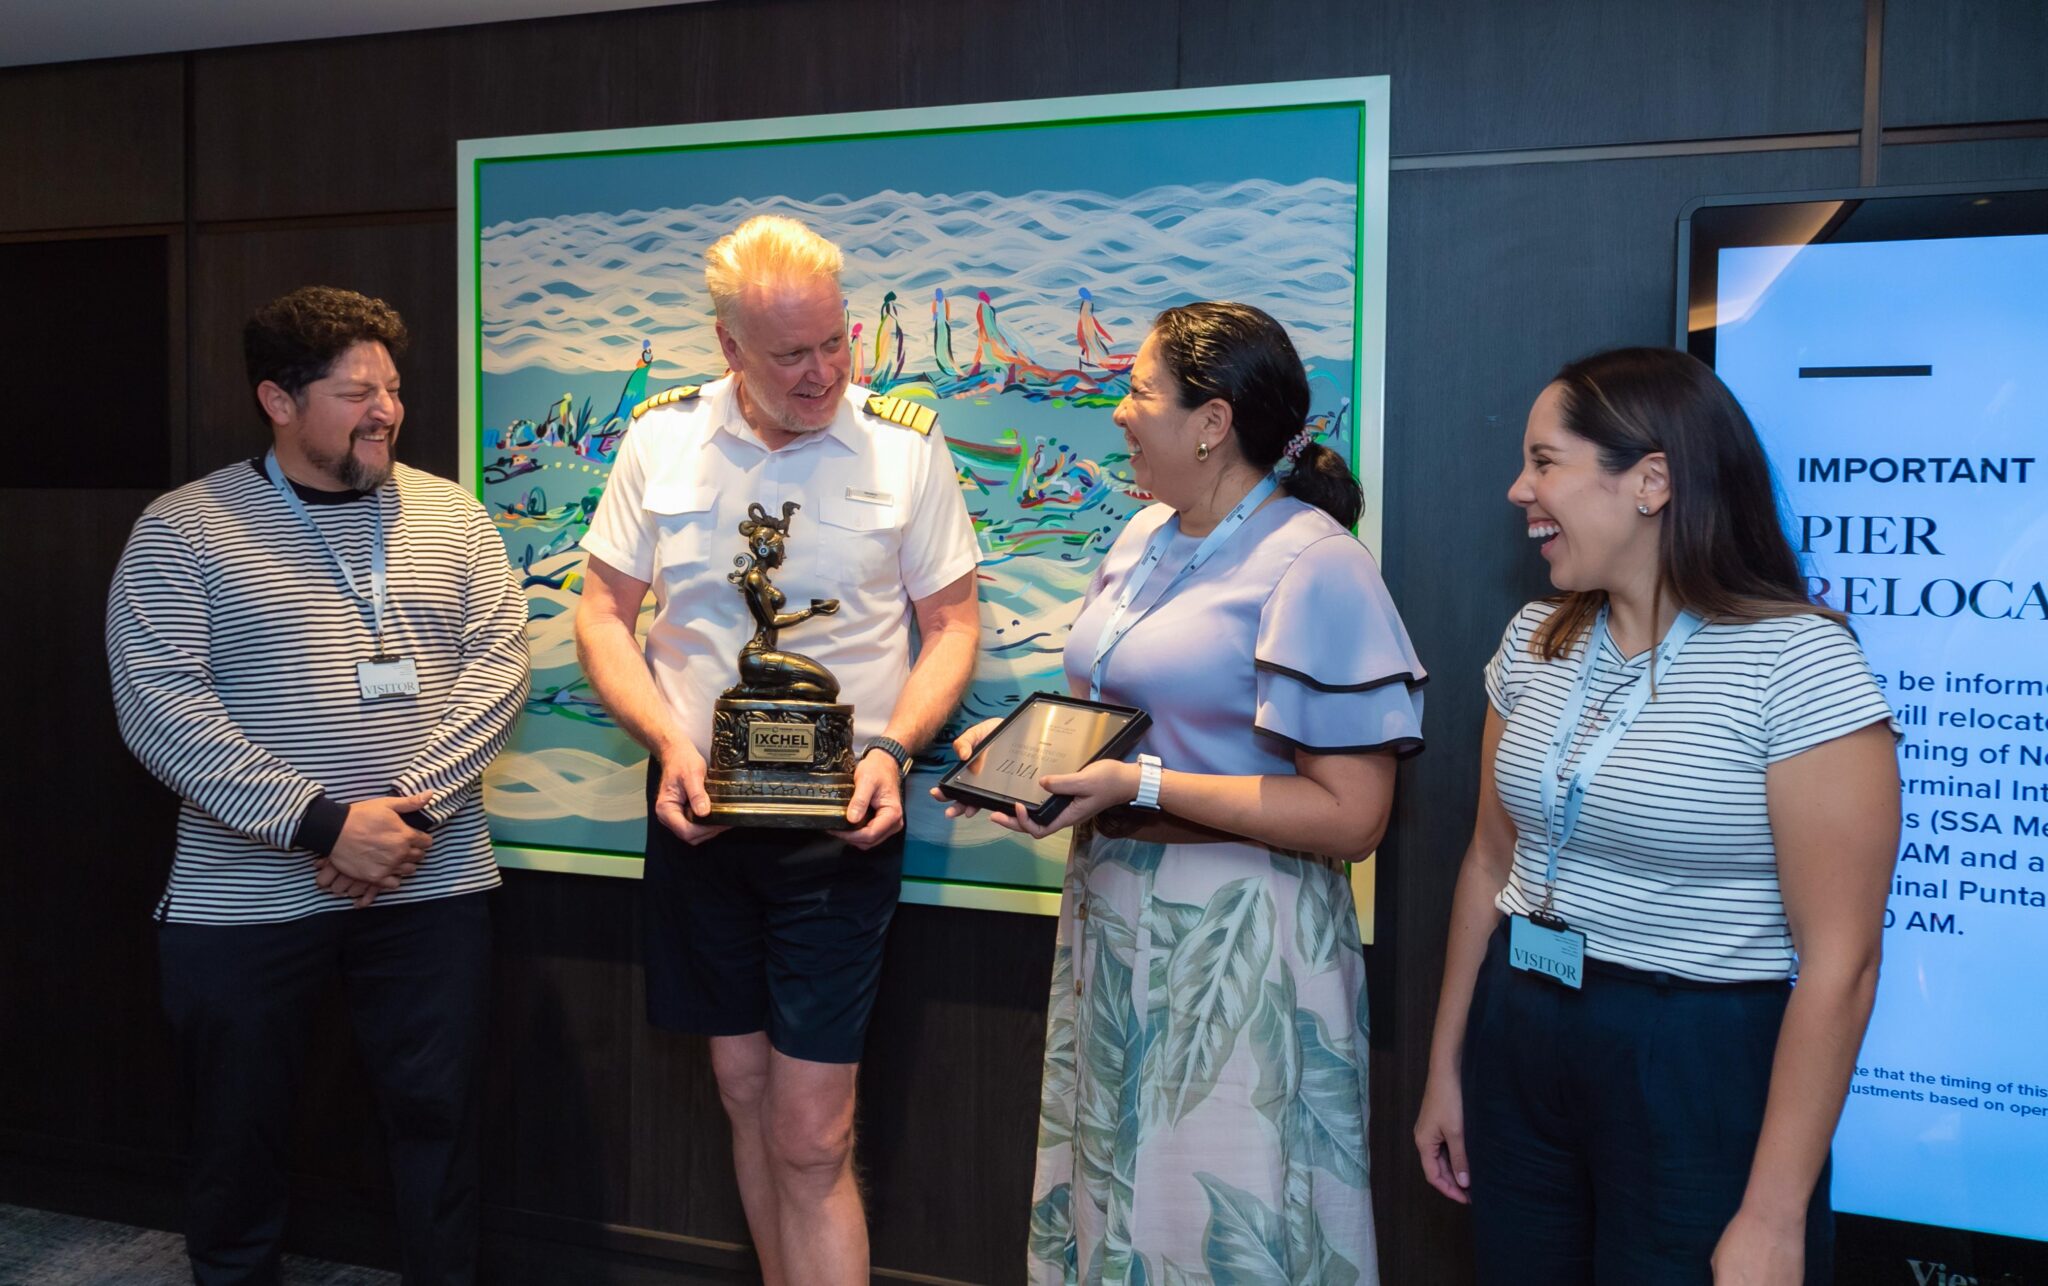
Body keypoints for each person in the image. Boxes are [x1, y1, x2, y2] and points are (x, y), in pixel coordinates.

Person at [944, 301, 1425, 1284]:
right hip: (1114, 914)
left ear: (1211, 423)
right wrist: (1015, 750)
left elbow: (1353, 815)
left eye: (1138, 392)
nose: (1118, 413)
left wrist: (1145, 783)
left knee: (1214, 1219)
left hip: (1237, 935)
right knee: (1115, 1208)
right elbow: (1114, 712)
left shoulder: (1317, 564)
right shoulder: (1141, 536)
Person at [1413, 347, 1901, 1286]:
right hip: (1521, 1027)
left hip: (1693, 1058)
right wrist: (1449, 1068)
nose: (1519, 490)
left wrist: (1773, 1216)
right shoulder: (1535, 639)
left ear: (1651, 481)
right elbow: (1488, 862)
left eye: (1544, 461)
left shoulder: (1797, 662)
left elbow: (1843, 964)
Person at [574, 214, 980, 1286]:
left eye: (834, 340)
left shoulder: (905, 445)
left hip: (841, 828)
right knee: (744, 1096)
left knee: (811, 1131)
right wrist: (665, 742)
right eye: (792, 352)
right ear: (729, 346)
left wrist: (896, 748)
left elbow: (952, 625)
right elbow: (602, 613)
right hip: (698, 816)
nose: (823, 371)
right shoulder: (660, 439)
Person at [105, 286, 532, 1286]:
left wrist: (404, 816)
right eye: (356, 393)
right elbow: (161, 706)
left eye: (392, 389)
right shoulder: (183, 530)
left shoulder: (454, 516)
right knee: (235, 1132)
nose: (386, 411)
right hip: (244, 897)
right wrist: (323, 825)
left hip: (429, 882)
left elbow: (501, 668)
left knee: (439, 1124)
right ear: (278, 399)